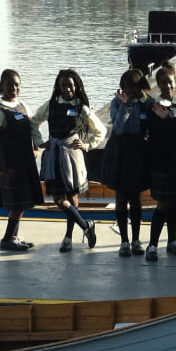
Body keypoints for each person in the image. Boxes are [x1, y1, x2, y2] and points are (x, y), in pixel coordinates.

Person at [32, 69, 105, 252]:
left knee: (72, 197)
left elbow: (100, 131)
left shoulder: (81, 108)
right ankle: (86, 226)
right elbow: (33, 122)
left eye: (71, 86)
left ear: (76, 86)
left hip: (73, 155)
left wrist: (87, 145)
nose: (67, 89)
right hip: (54, 154)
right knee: (58, 198)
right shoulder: (51, 105)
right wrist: (41, 142)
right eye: (63, 86)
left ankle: (68, 237)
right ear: (59, 86)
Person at [0, 69, 44, 251]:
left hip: (26, 163)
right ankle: (7, 239)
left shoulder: (22, 106)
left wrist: (35, 147)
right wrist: (0, 169)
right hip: (11, 166)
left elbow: (32, 128)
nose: (14, 87)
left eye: (17, 84)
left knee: (22, 203)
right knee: (17, 204)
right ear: (2, 86)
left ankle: (13, 236)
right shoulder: (0, 112)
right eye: (10, 84)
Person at [103, 68, 154, 257]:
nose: (129, 91)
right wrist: (127, 106)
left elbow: (136, 129)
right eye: (125, 87)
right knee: (121, 198)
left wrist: (132, 107)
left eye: (132, 86)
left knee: (136, 199)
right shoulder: (117, 102)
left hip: (138, 154)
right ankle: (124, 241)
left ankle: (136, 239)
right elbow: (118, 127)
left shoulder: (149, 103)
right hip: (119, 152)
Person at [144, 65, 176, 261]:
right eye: (163, 82)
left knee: (175, 203)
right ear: (158, 85)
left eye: (170, 82)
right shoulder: (154, 107)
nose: (167, 85)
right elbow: (157, 135)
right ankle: (152, 245)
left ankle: (172, 241)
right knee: (162, 205)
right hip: (161, 162)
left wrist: (170, 121)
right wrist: (167, 122)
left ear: (175, 83)